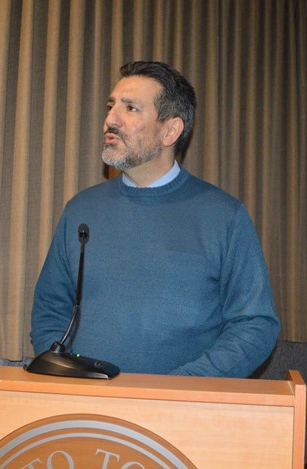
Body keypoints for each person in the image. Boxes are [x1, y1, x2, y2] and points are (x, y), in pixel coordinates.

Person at [30, 61, 280, 377]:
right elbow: (50, 310)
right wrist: (66, 374)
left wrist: (185, 387)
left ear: (170, 131)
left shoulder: (223, 216)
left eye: (130, 108)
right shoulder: (81, 210)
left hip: (182, 402)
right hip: (86, 401)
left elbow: (254, 324)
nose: (110, 120)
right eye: (110, 106)